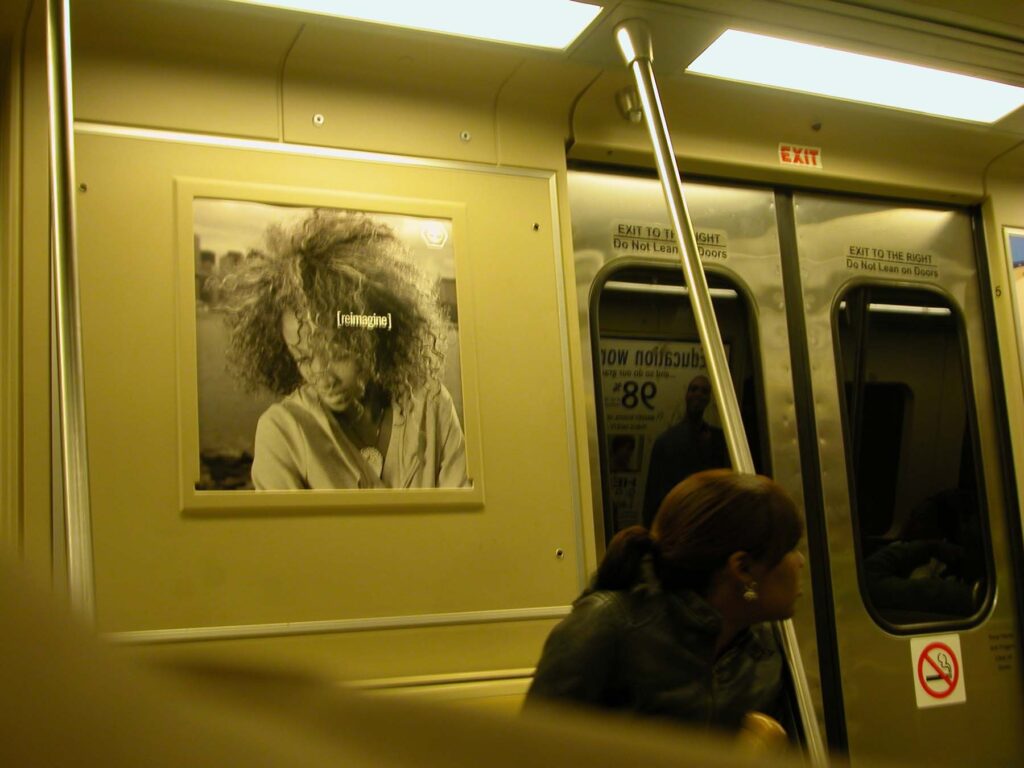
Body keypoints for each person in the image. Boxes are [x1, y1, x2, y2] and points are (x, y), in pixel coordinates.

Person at [526, 469, 805, 734]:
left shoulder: (764, 650)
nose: (800, 561)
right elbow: (529, 753)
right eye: (790, 549)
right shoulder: (607, 626)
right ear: (742, 568)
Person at [215, 209, 469, 490]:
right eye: (303, 358)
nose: (322, 376)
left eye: (336, 355)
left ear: (371, 336)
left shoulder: (430, 404)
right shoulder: (281, 433)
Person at [642, 375, 728, 527]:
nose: (698, 394)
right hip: (676, 519)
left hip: (707, 518)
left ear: (709, 399)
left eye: (704, 391)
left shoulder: (719, 441)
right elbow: (653, 493)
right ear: (686, 395)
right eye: (694, 389)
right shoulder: (666, 441)